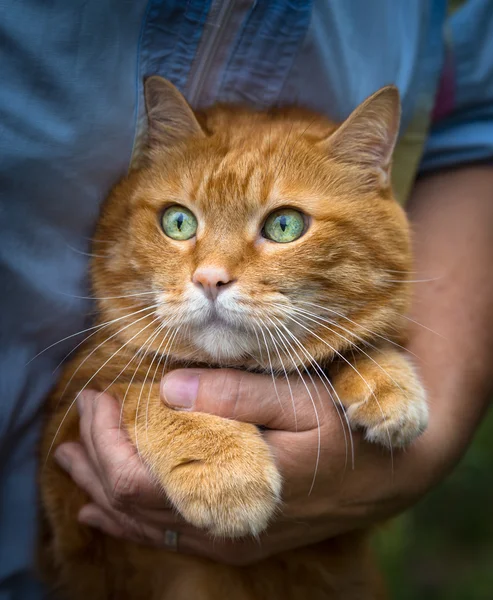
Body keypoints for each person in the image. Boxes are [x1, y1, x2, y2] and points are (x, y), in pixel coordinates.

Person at [1, 1, 493, 597]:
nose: (212, 272)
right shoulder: (117, 352)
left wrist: (412, 417)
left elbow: (478, 126)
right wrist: (167, 425)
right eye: (180, 222)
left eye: (282, 227)